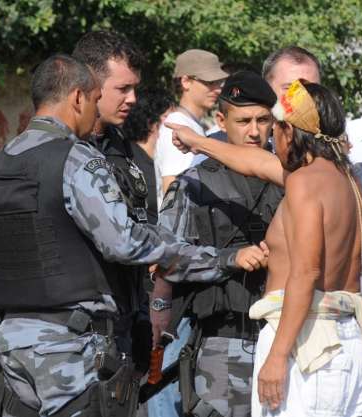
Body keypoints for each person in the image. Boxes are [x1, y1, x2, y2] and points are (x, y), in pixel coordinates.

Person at [0, 53, 267, 417]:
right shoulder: (76, 159)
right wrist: (221, 258)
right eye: (95, 101)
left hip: (8, 354)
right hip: (71, 358)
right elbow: (126, 243)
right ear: (78, 98)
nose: (97, 114)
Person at [167, 79, 362, 417]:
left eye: (273, 128)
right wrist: (198, 142)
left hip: (308, 346)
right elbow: (255, 163)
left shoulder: (304, 182)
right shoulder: (344, 178)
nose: (269, 138)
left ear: (289, 130)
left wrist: (277, 355)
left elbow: (306, 273)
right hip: (345, 340)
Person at [156, 71, 283, 417]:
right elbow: (165, 257)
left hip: (284, 340)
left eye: (263, 120)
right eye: (243, 121)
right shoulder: (195, 184)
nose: (254, 131)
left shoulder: (292, 178)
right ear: (221, 119)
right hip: (224, 344)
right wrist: (229, 258)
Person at [73, 30, 154, 378]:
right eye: (123, 88)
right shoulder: (62, 152)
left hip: (125, 324)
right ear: (91, 84)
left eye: (135, 88)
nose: (133, 99)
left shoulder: (126, 151)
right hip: (78, 334)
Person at [154, 49, 228, 200]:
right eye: (209, 82)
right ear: (186, 81)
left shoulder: (192, 124)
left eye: (219, 82)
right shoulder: (176, 125)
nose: (218, 89)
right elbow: (172, 187)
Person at [121, 86, 175, 223]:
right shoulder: (127, 157)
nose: (176, 122)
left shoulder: (167, 157)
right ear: (150, 121)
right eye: (169, 117)